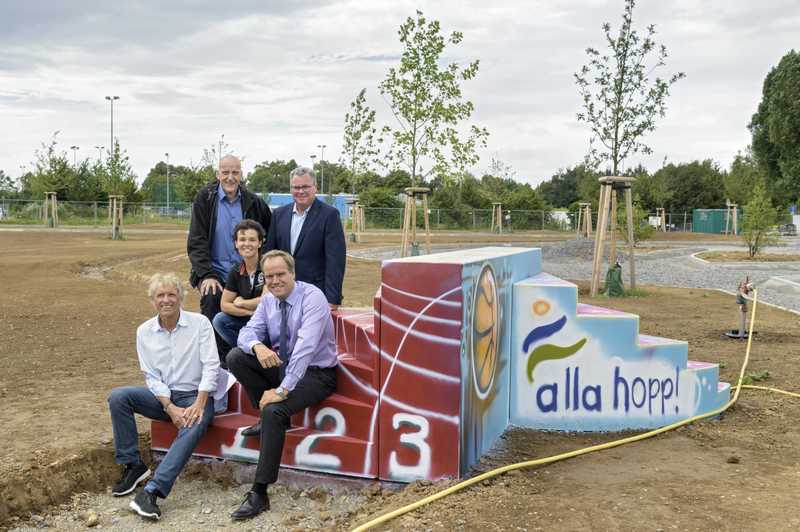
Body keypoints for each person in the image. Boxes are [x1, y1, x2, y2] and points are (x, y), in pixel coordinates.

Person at [226, 250, 338, 520]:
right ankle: (267, 418)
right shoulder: (268, 301)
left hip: (316, 373)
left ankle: (259, 492)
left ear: (293, 273)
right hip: (283, 365)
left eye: (281, 274)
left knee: (273, 410)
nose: (275, 281)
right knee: (236, 357)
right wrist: (258, 346)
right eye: (270, 276)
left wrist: (281, 390)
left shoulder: (313, 298)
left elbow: (305, 349)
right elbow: (246, 333)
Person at [107, 273, 225, 521]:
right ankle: (133, 466)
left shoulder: (200, 323)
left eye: (172, 294)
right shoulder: (144, 331)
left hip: (197, 394)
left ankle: (152, 491)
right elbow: (151, 376)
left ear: (181, 297)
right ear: (153, 301)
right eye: (160, 295)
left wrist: (200, 403)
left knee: (194, 422)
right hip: (165, 398)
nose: (166, 300)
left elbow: (211, 366)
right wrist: (169, 407)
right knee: (119, 397)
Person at [187, 155, 271, 361]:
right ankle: (216, 361)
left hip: (247, 273)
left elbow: (268, 236)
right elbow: (196, 239)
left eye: (235, 172)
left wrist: (266, 268)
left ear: (241, 174)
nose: (230, 177)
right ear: (218, 174)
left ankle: (246, 354)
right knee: (212, 298)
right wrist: (206, 274)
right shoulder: (205, 199)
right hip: (215, 272)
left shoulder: (254, 202)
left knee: (262, 309)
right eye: (225, 172)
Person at [265, 166, 345, 308]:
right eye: (296, 187)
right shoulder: (279, 215)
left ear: (315, 187)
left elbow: (335, 260)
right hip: (282, 292)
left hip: (314, 294)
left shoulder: (329, 215)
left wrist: (332, 298)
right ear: (290, 189)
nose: (301, 191)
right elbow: (270, 254)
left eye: (305, 187)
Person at [212, 219, 266, 357]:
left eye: (252, 240)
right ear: (236, 243)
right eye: (242, 239)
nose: (246, 244)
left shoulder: (268, 265)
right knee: (219, 320)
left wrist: (242, 303)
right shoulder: (236, 271)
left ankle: (257, 352)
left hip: (268, 320)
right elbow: (224, 305)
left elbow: (266, 301)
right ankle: (248, 353)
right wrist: (249, 313)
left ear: (260, 242)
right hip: (250, 317)